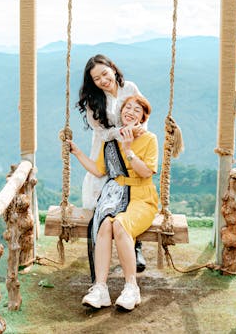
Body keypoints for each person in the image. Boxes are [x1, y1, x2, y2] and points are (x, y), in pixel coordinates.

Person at [69, 94, 158, 310]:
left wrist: (128, 150)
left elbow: (146, 172)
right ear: (121, 112)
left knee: (120, 224)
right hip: (116, 195)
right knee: (105, 224)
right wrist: (77, 152)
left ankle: (131, 287)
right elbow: (99, 170)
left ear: (143, 117)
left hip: (141, 197)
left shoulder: (149, 139)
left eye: (137, 110)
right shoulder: (110, 141)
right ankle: (100, 288)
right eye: (128, 108)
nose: (131, 112)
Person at [76, 54, 147, 272]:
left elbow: (143, 109)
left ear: (113, 69)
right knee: (107, 195)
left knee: (133, 192)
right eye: (96, 79)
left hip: (132, 145)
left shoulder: (130, 87)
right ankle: (104, 246)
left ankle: (136, 247)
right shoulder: (94, 100)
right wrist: (120, 132)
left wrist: (140, 130)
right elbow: (101, 131)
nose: (103, 80)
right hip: (106, 147)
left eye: (104, 74)